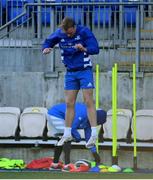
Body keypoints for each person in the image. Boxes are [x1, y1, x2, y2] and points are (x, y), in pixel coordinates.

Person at [42, 16, 99, 148]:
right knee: (69, 102)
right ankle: (67, 133)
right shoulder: (59, 33)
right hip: (70, 72)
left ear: (74, 27)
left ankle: (94, 133)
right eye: (66, 33)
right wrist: (46, 48)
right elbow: (48, 42)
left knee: (88, 100)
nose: (68, 35)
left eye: (70, 32)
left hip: (84, 70)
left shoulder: (84, 32)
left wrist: (84, 48)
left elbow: (95, 48)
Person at [47, 102, 107, 170]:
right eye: (96, 123)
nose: (95, 124)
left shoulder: (90, 118)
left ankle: (54, 165)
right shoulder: (82, 114)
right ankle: (67, 165)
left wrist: (95, 154)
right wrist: (78, 137)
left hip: (64, 117)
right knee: (67, 136)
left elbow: (89, 138)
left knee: (63, 137)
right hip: (55, 114)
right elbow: (71, 127)